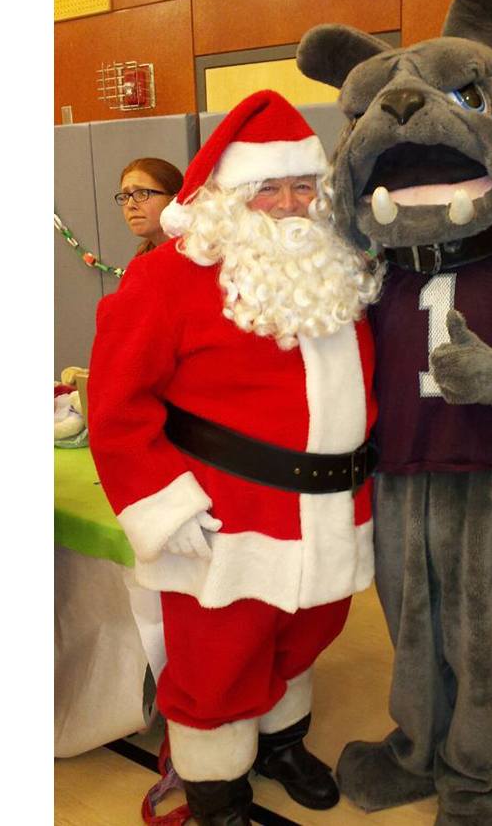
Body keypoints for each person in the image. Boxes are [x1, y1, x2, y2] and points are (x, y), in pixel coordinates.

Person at [87, 90, 384, 826]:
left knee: (305, 635)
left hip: (329, 513)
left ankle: (281, 743)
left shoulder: (340, 267)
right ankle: (218, 791)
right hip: (225, 521)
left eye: (302, 185)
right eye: (268, 188)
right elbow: (117, 409)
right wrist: (163, 504)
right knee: (218, 665)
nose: (288, 204)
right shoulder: (163, 281)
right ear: (229, 196)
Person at [115, 157, 182, 257]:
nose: (130, 205)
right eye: (125, 196)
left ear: (174, 200)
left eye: (142, 193)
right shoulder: (142, 260)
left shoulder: (204, 256)